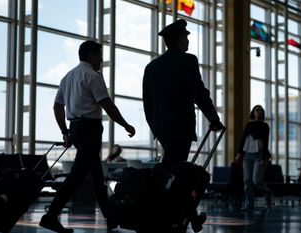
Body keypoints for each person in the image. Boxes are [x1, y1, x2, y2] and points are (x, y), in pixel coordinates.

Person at [39, 40, 136, 233]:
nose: (101, 59)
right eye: (100, 55)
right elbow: (107, 104)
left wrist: (65, 131)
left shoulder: (68, 77)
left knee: (97, 175)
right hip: (90, 129)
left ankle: (110, 218)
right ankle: (50, 217)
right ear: (91, 55)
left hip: (75, 129)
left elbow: (57, 106)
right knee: (77, 175)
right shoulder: (92, 75)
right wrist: (125, 124)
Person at [142, 19, 224, 232]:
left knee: (173, 169)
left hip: (161, 127)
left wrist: (155, 127)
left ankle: (184, 216)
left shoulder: (151, 67)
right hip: (180, 125)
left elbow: (147, 102)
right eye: (186, 37)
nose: (188, 40)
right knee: (178, 172)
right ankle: (178, 216)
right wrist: (213, 119)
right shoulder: (187, 60)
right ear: (179, 39)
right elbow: (199, 92)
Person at [236, 105, 272, 210]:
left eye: (261, 110)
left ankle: (267, 195)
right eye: (257, 110)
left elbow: (266, 142)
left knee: (256, 180)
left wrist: (264, 157)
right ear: (253, 112)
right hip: (247, 155)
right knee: (247, 181)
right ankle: (249, 205)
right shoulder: (249, 125)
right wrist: (239, 153)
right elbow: (243, 139)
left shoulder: (265, 126)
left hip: (259, 155)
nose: (259, 112)